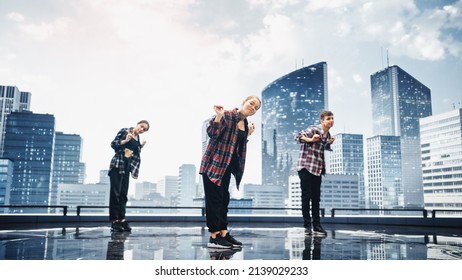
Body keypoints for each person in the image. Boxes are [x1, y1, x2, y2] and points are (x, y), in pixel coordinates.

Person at [200, 96, 261, 249]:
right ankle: (214, 237)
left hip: (226, 166)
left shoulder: (245, 125)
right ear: (244, 102)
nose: (253, 108)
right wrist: (218, 116)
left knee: (223, 200)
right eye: (251, 104)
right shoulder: (227, 115)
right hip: (213, 164)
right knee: (214, 201)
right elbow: (212, 133)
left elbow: (237, 147)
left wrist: (247, 136)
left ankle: (223, 233)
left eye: (256, 108)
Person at [295, 111, 335, 236]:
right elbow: (298, 137)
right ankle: (307, 227)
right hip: (306, 166)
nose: (331, 120)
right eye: (328, 118)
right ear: (322, 121)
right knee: (306, 197)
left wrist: (329, 143)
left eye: (332, 118)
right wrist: (310, 139)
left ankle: (317, 226)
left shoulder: (328, 135)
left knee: (316, 199)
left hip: (317, 169)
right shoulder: (314, 129)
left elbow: (322, 147)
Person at [108, 120, 149, 232]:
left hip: (127, 167)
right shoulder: (125, 131)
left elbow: (134, 152)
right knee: (115, 194)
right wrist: (125, 140)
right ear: (137, 124)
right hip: (117, 165)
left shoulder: (137, 138)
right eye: (141, 126)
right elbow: (113, 144)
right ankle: (114, 221)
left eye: (144, 130)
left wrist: (141, 146)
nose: (141, 130)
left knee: (123, 195)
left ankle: (122, 220)